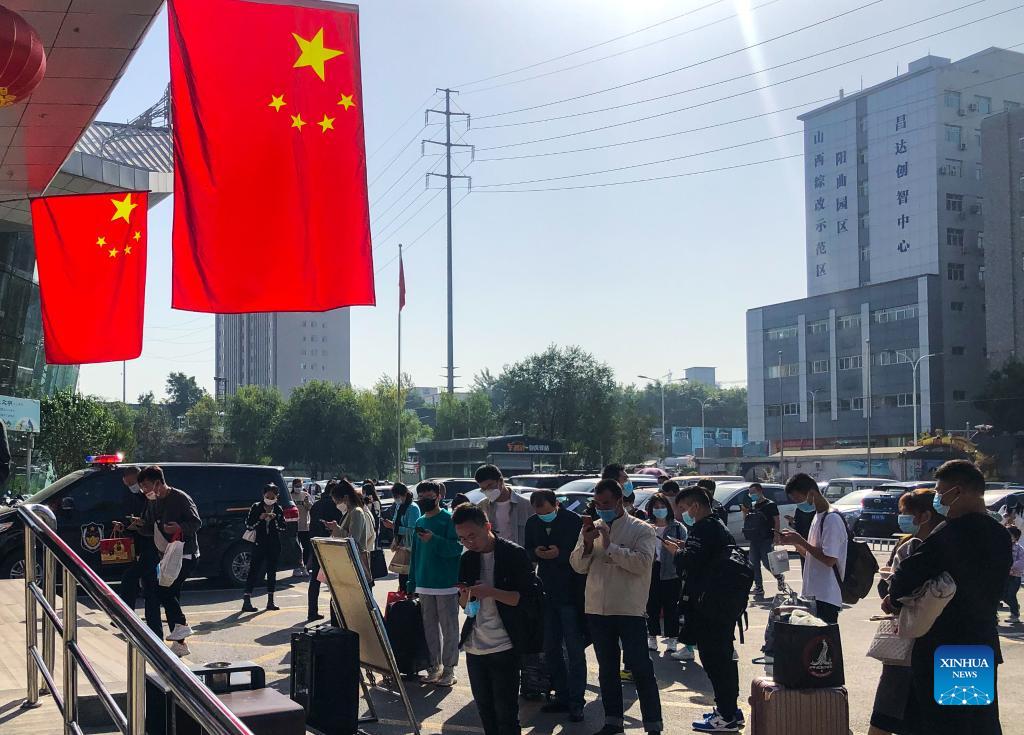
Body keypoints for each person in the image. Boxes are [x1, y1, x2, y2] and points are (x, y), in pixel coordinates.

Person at [886, 460, 1011, 735]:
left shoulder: (953, 533)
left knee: (945, 722)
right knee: (976, 720)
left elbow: (908, 574)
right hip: (980, 639)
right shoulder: (1000, 535)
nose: (939, 500)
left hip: (946, 643)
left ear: (959, 491)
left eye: (941, 493)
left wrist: (892, 599)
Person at [570, 479, 662, 735]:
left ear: (620, 501)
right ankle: (613, 721)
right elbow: (577, 566)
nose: (602, 508)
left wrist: (610, 546)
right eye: (597, 504)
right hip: (597, 609)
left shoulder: (642, 529)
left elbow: (642, 564)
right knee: (607, 670)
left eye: (606, 503)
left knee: (641, 668)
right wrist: (588, 544)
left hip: (629, 608)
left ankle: (653, 724)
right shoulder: (592, 527)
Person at [455, 503, 543, 735]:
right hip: (475, 645)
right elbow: (467, 608)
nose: (469, 542)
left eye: (472, 535)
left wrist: (491, 592)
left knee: (506, 714)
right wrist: (465, 597)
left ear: (487, 526)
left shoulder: (513, 554)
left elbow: (524, 599)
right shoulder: (467, 559)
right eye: (462, 539)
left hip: (505, 644)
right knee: (485, 711)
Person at [664, 486, 743, 733]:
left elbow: (690, 563)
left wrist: (678, 553)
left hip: (709, 605)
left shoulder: (703, 528)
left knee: (715, 660)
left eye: (684, 508)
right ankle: (729, 710)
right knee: (723, 658)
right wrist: (686, 548)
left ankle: (726, 716)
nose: (682, 514)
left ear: (695, 506)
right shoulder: (718, 526)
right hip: (723, 604)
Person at [868, 489, 941, 735]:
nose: (902, 518)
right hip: (953, 644)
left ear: (924, 516)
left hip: (909, 645)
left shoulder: (914, 548)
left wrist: (891, 598)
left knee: (888, 711)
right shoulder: (968, 544)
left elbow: (894, 594)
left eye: (906, 513)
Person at [524, 489, 586, 722]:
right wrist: (536, 553)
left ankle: (576, 702)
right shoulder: (533, 523)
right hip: (546, 593)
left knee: (575, 651)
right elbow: (526, 550)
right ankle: (561, 695)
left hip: (570, 593)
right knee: (551, 649)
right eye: (538, 512)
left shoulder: (573, 521)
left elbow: (583, 553)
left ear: (556, 504)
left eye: (546, 511)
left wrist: (560, 554)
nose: (543, 516)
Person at [138, 465, 202, 657]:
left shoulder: (180, 498)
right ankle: (180, 643)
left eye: (146, 485)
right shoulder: (153, 502)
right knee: (170, 594)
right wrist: (139, 525)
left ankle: (182, 626)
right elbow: (149, 527)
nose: (144, 490)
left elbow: (196, 522)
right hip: (167, 555)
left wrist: (179, 527)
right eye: (142, 487)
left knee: (164, 591)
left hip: (185, 554)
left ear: (158, 483)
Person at [407, 481, 463, 687]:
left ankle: (449, 669)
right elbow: (415, 554)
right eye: (421, 497)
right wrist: (411, 582)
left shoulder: (449, 519)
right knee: (429, 628)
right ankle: (434, 667)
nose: (424, 500)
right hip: (424, 583)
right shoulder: (420, 520)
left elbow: (456, 548)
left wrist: (434, 539)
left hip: (446, 583)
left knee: (449, 629)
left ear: (438, 496)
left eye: (429, 496)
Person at [779, 473, 847, 626]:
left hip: (827, 597)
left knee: (825, 638)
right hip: (813, 596)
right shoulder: (817, 516)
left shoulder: (831, 519)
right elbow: (809, 555)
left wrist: (801, 541)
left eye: (798, 499)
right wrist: (795, 542)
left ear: (811, 493)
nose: (798, 504)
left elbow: (829, 560)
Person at [113, 465, 163, 637]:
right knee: (150, 589)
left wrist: (141, 525)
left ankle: (126, 617)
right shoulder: (132, 496)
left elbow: (155, 522)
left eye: (133, 484)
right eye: (127, 484)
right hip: (141, 546)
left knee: (130, 578)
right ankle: (153, 631)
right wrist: (126, 527)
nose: (132, 487)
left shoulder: (151, 497)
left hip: (152, 547)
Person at [645, 493, 687, 655]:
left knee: (671, 607)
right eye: (656, 507)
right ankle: (652, 637)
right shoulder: (645, 526)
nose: (659, 510)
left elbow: (685, 547)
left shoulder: (677, 527)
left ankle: (672, 639)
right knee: (652, 606)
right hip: (652, 570)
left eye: (662, 506)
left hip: (672, 572)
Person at [241, 483, 287, 612]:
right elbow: (249, 525)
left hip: (273, 544)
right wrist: (260, 518)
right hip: (259, 543)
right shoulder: (256, 507)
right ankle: (246, 600)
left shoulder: (278, 509)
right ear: (263, 495)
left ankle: (270, 601)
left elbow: (283, 527)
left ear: (277, 497)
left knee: (272, 572)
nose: (270, 499)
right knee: (254, 570)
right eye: (267, 496)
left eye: (272, 497)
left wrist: (275, 519)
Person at [307, 479, 344, 622]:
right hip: (331, 545)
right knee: (335, 581)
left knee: (315, 580)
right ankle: (337, 613)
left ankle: (312, 611)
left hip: (316, 544)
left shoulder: (316, 505)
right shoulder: (335, 506)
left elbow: (311, 527)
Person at [740, 482, 784, 599]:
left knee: (767, 562)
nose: (752, 495)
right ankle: (759, 587)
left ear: (760, 491)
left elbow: (776, 520)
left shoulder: (770, 504)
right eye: (750, 493)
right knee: (753, 563)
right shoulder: (753, 505)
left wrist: (776, 534)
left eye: (753, 492)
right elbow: (747, 520)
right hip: (754, 537)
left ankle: (779, 576)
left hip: (766, 537)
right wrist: (744, 512)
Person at [475, 464, 534, 547]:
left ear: (500, 481)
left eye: (490, 486)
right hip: (494, 553)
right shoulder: (481, 507)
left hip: (519, 553)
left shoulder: (526, 505)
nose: (488, 491)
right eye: (483, 489)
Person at [330, 480, 377, 582]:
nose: (337, 505)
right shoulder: (349, 512)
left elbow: (352, 540)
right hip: (349, 561)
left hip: (356, 562)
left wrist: (336, 528)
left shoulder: (356, 512)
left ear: (346, 498)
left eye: (337, 502)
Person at [381, 482, 420, 591]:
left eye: (397, 496)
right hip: (401, 545)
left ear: (404, 494)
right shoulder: (399, 506)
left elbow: (412, 530)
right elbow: (396, 523)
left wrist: (394, 527)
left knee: (409, 579)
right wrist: (392, 525)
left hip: (410, 548)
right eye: (394, 496)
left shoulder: (412, 508)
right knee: (402, 579)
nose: (396, 499)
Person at [290, 479, 314, 575]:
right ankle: (296, 568)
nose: (298, 487)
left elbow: (311, 508)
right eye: (296, 486)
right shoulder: (290, 496)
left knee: (306, 547)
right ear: (293, 486)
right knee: (295, 548)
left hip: (304, 526)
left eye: (300, 485)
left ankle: (305, 567)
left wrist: (307, 503)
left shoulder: (305, 495)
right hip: (294, 526)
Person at [1006, 526, 1023, 624]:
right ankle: (1014, 606)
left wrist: (1011, 567)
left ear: (1015, 537)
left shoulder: (1019, 548)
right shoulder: (1003, 547)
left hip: (1015, 576)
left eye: (1010, 535)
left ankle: (1015, 615)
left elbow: (1021, 561)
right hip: (1005, 575)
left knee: (1011, 595)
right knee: (1003, 595)